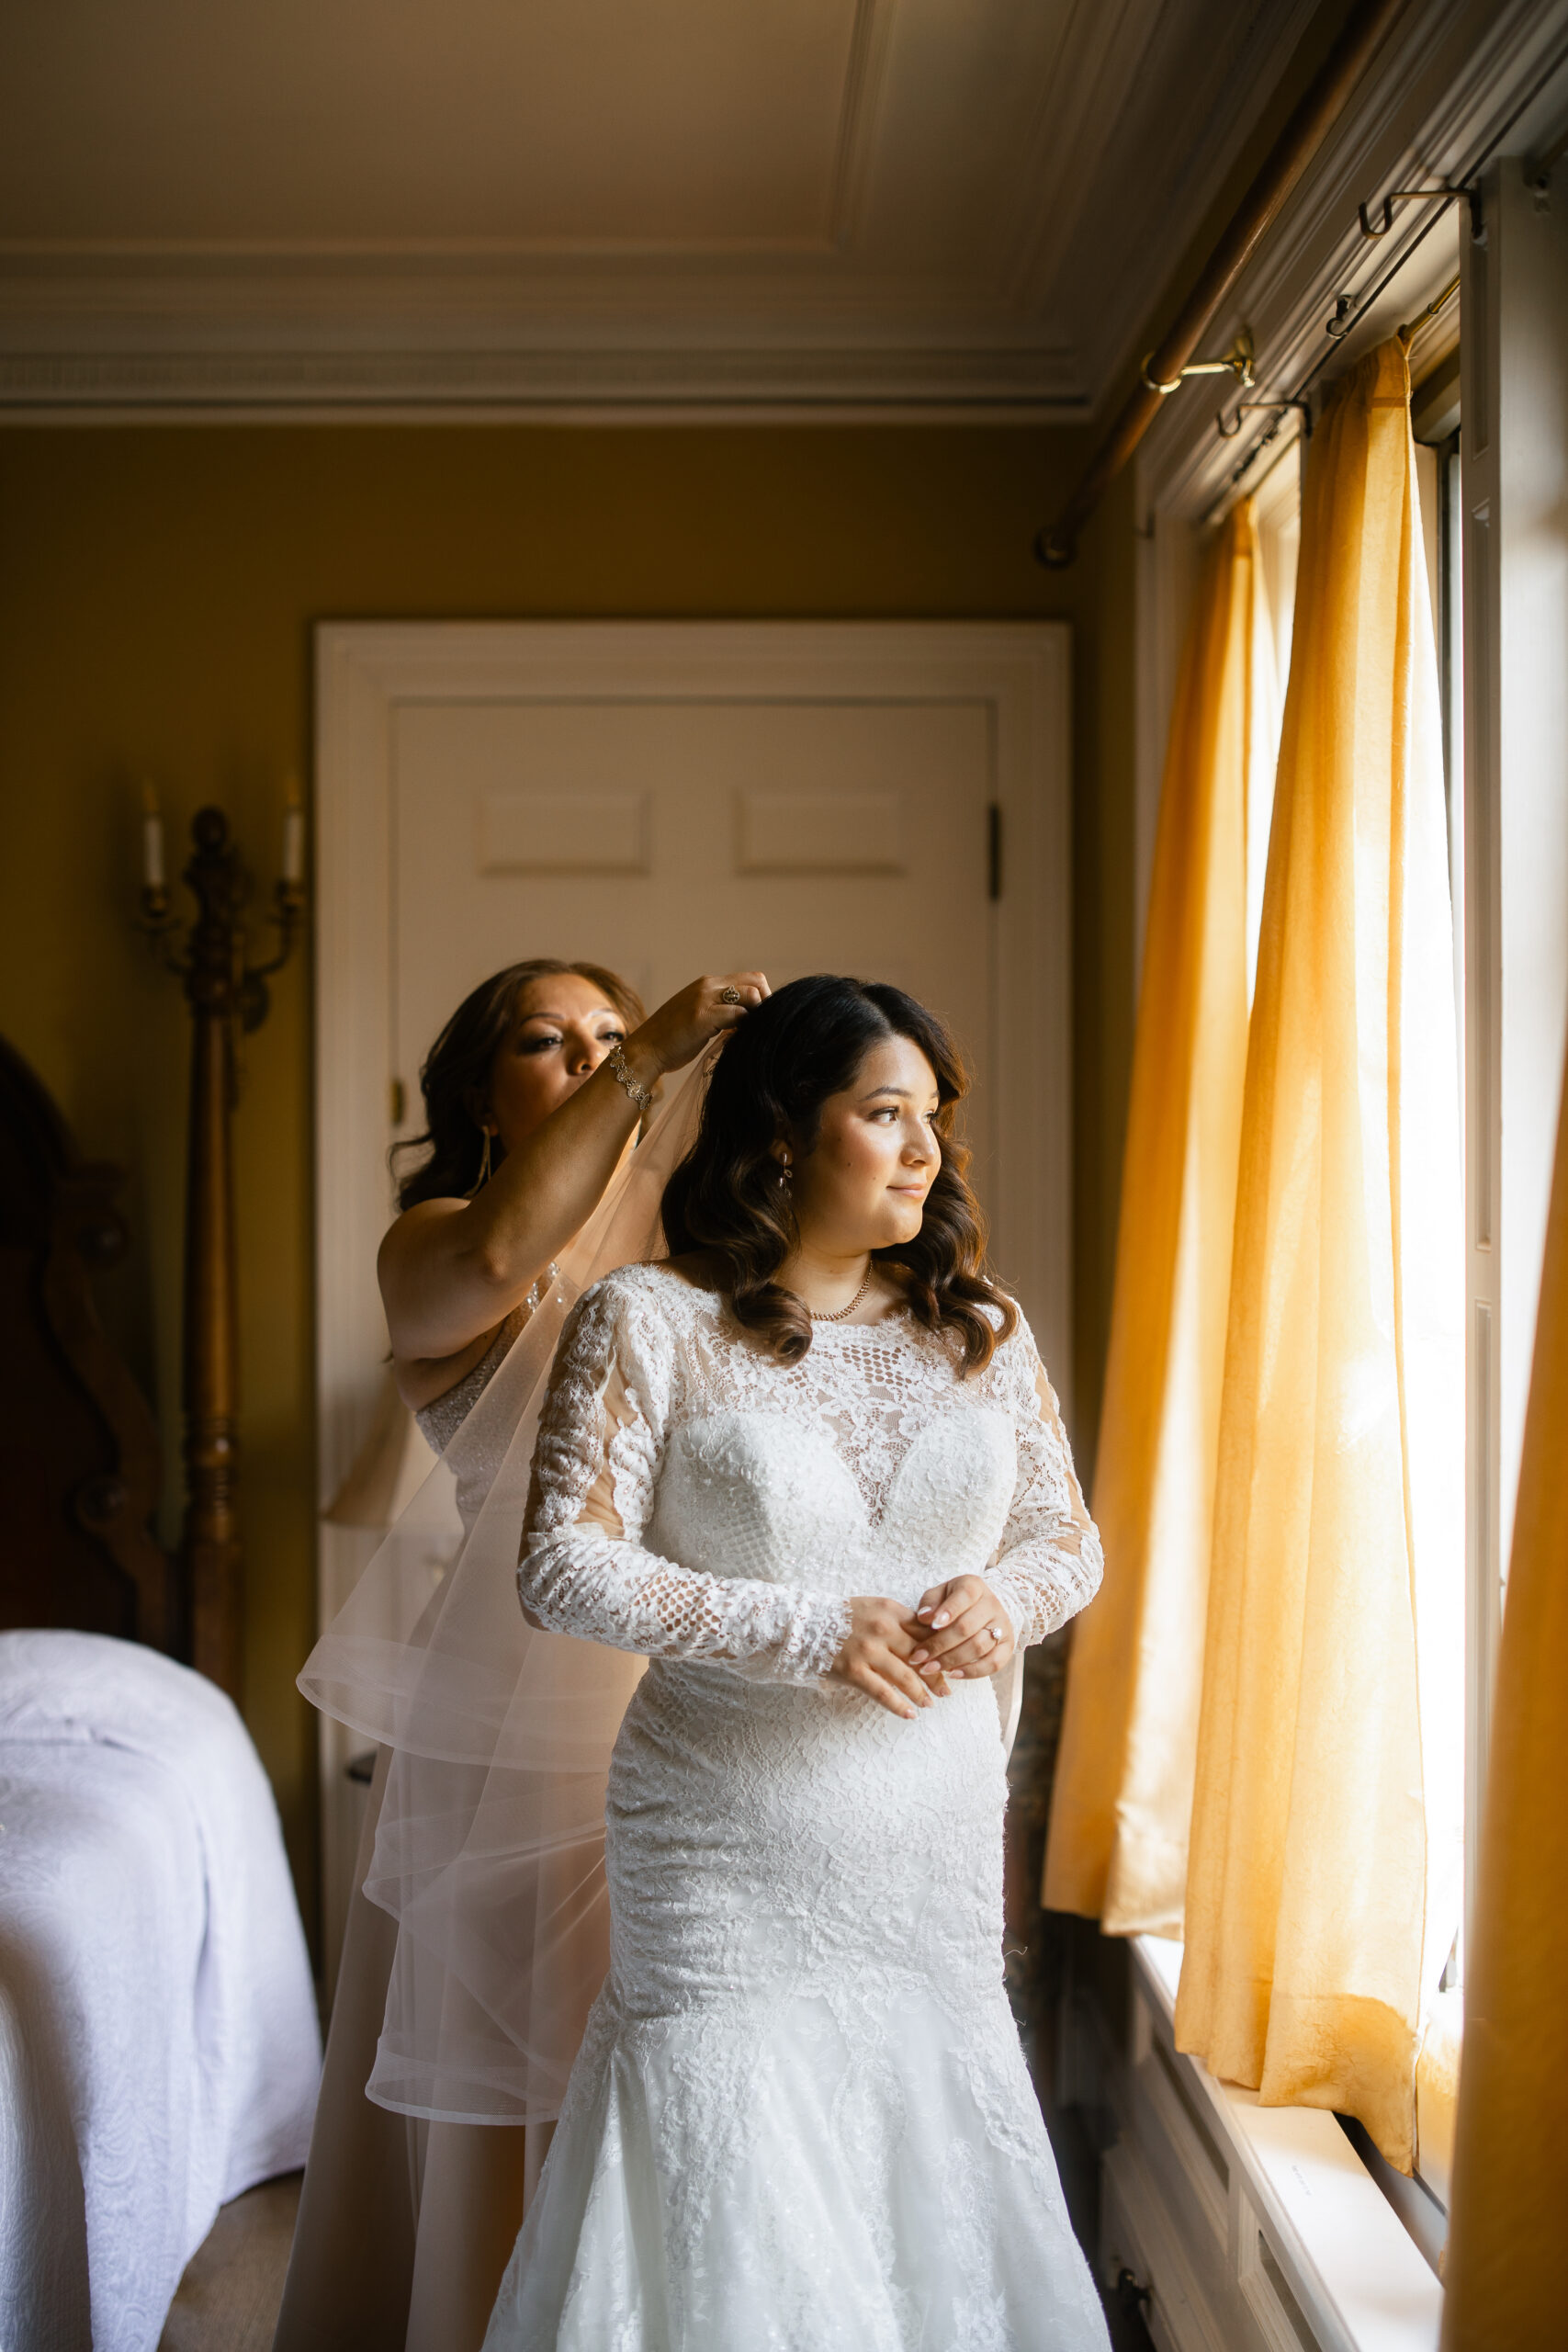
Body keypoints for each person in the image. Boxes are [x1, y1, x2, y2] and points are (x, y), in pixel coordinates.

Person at [482, 975, 1111, 2350]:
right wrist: (812, 1628)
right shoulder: (647, 1321)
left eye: (932, 1117)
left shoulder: (980, 1330)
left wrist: (1005, 1601)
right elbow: (561, 1566)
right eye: (884, 1113)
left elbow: (1070, 1540)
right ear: (781, 1130)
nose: (926, 1148)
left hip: (927, 1848)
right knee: (727, 2202)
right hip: (721, 1851)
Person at [276, 956, 768, 2352]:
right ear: (486, 1097)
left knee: (676, 2063)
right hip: (509, 1733)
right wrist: (655, 1048)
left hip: (688, 1696)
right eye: (548, 1044)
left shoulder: (692, 1262)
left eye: (605, 1038)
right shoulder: (434, 1242)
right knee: (521, 2071)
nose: (589, 1057)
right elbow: (500, 1257)